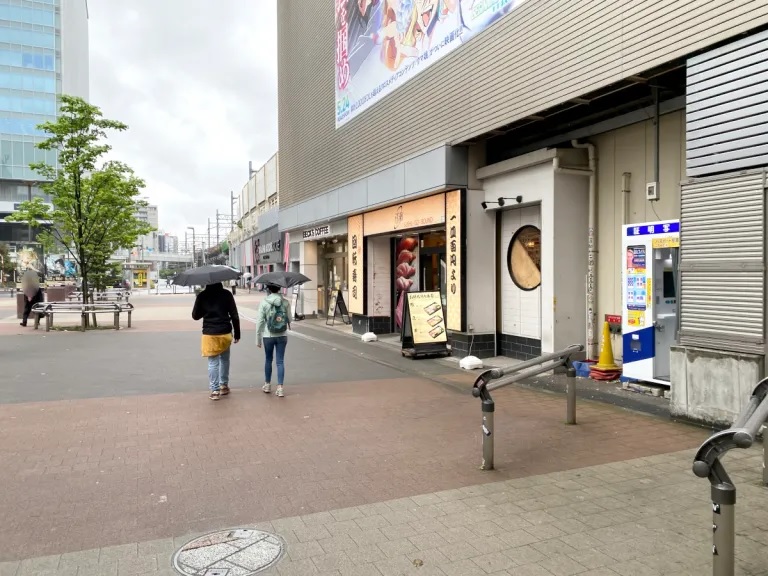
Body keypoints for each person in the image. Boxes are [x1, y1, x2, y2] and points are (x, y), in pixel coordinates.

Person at [192, 282, 241, 400]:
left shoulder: (202, 296)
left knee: (212, 362)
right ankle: (224, 385)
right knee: (224, 360)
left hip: (209, 334)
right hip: (225, 332)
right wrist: (237, 333)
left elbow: (195, 316)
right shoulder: (227, 294)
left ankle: (214, 391)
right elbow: (234, 315)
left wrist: (206, 309)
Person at [256, 284, 291, 398]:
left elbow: (260, 322)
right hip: (282, 335)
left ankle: (267, 385)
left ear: (269, 289)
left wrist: (258, 338)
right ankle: (280, 388)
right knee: (280, 361)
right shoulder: (285, 302)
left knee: (268, 359)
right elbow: (289, 319)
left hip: (268, 335)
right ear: (279, 289)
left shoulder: (264, 302)